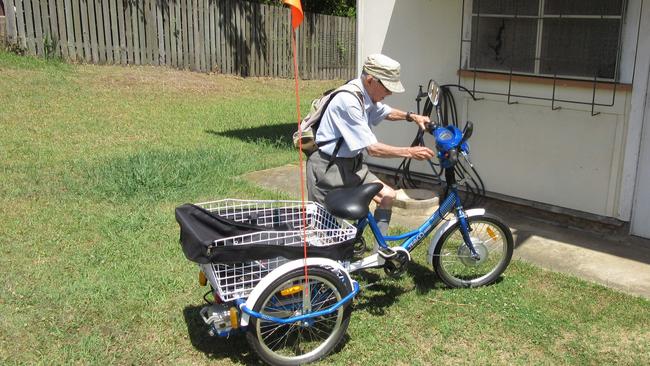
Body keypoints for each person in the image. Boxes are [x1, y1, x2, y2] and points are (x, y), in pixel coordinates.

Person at [306, 53, 435, 248]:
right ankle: (322, 272)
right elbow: (373, 149)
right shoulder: (348, 101)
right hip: (328, 167)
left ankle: (379, 252)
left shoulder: (364, 93)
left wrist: (412, 116)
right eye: (387, 87)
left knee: (387, 196)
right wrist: (410, 152)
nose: (390, 93)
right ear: (370, 80)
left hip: (353, 165)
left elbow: (384, 112)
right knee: (326, 232)